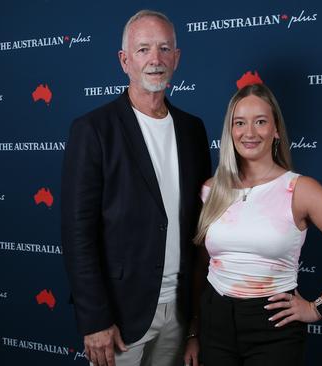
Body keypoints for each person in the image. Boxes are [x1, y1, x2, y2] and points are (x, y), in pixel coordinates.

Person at [187, 83, 322, 365]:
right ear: (230, 131)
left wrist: (317, 309)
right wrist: (193, 331)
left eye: (261, 122)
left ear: (276, 130)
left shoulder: (301, 190)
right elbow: (201, 266)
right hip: (214, 322)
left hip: (273, 327)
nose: (249, 132)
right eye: (240, 123)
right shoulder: (211, 189)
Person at [61, 9, 211, 366]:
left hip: (180, 312)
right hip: (120, 317)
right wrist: (95, 319)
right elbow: (77, 233)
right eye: (143, 49)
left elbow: (200, 226)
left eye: (164, 48)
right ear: (124, 60)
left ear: (177, 58)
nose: (155, 59)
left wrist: (195, 323)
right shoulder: (93, 130)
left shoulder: (193, 130)